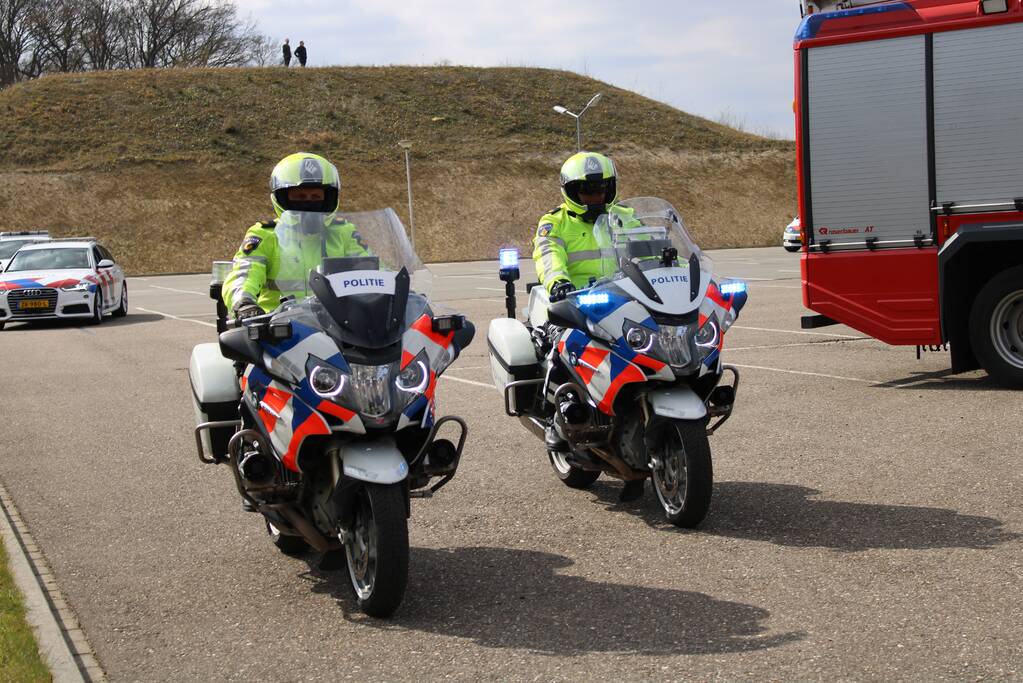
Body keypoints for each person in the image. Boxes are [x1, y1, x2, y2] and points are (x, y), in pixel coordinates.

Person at [223, 153, 371, 320]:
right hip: (277, 325)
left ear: (328, 199)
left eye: (316, 197)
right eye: (300, 197)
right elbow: (244, 274)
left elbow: (371, 269)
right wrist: (244, 303)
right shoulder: (265, 235)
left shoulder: (343, 232)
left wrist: (389, 292)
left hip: (337, 323)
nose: (308, 202)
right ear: (282, 198)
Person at [532, 151, 630, 301]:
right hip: (574, 300)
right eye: (587, 191)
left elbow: (651, 246)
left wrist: (669, 261)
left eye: (601, 189)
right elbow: (548, 255)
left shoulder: (625, 217)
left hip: (625, 296)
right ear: (571, 192)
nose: (595, 197)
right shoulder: (555, 222)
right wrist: (558, 283)